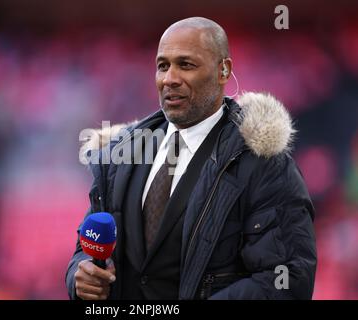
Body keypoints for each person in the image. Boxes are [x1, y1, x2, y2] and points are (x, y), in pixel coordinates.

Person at [65, 17, 317, 300]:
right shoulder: (121, 155)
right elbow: (85, 251)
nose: (169, 79)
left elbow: (287, 280)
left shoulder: (263, 164)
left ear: (224, 70)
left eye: (186, 65)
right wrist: (80, 275)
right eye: (163, 66)